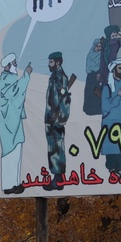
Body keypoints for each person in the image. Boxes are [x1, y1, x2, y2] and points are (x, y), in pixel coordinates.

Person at [0, 52, 32, 194]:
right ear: (9, 66)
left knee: (17, 153)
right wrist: (26, 76)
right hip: (8, 125)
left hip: (14, 123)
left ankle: (15, 183)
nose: (16, 66)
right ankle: (8, 185)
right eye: (14, 64)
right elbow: (15, 92)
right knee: (10, 155)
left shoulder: (10, 78)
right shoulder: (5, 80)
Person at [44, 51, 75, 190]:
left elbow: (65, 99)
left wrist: (62, 117)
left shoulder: (60, 77)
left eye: (51, 62)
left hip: (56, 119)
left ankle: (59, 178)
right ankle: (56, 176)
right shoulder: (54, 76)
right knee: (52, 147)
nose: (48, 64)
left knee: (57, 147)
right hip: (50, 117)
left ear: (57, 62)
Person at [100, 58, 121, 175]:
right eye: (120, 68)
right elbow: (106, 105)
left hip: (119, 119)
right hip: (109, 121)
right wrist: (117, 96)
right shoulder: (107, 87)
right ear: (114, 70)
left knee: (120, 145)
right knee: (110, 145)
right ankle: (111, 167)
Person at [83, 38, 103, 116]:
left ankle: (98, 110)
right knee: (90, 93)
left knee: (98, 93)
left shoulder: (102, 55)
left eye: (100, 46)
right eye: (97, 46)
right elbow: (88, 67)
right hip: (91, 77)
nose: (98, 48)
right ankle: (89, 110)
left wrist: (100, 73)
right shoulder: (90, 54)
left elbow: (103, 66)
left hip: (99, 76)